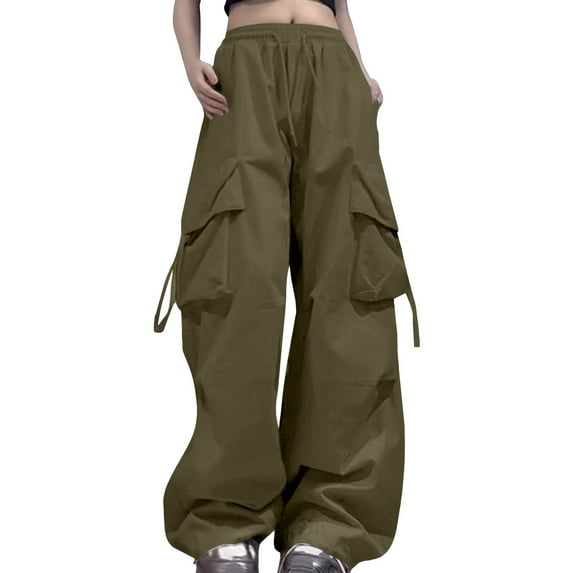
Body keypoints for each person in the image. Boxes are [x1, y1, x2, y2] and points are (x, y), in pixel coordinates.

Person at [153, 1, 421, 571]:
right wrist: (189, 62)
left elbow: (339, 7)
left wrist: (359, 70)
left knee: (349, 290)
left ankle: (328, 526)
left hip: (334, 72)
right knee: (236, 291)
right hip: (244, 75)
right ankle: (226, 520)